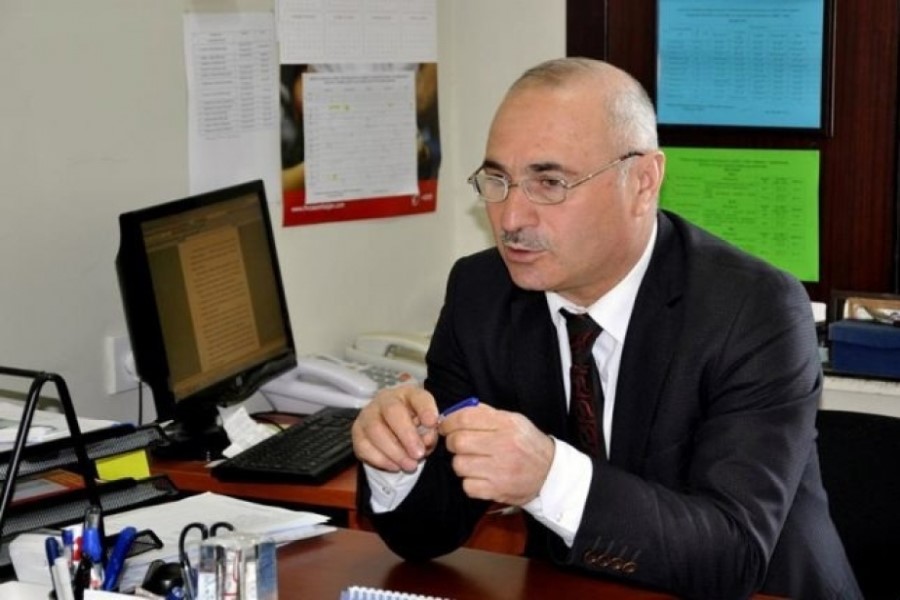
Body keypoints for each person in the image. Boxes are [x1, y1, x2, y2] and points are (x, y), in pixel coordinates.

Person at [351, 57, 860, 600]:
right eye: (498, 180)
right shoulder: (482, 293)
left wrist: (548, 477)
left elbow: (732, 555)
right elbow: (429, 530)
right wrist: (395, 462)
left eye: (549, 183)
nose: (511, 218)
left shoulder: (753, 309)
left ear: (642, 182)